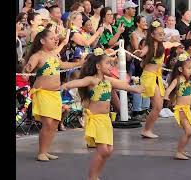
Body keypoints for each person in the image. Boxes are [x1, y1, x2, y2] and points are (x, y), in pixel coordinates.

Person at [61, 48, 145, 180]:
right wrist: (65, 86)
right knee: (102, 150)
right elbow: (78, 82)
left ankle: (96, 175)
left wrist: (137, 89)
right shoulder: (92, 80)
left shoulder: (108, 80)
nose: (110, 66)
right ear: (98, 66)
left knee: (109, 151)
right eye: (108, 63)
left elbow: (124, 85)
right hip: (96, 119)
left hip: (105, 119)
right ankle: (92, 177)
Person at [23, 29, 87, 161]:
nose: (55, 40)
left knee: (54, 123)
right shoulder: (37, 56)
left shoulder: (54, 55)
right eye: (52, 38)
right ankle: (41, 152)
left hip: (55, 94)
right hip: (43, 93)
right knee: (47, 123)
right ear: (42, 41)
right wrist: (26, 70)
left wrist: (80, 63)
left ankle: (46, 151)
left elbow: (63, 65)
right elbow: (27, 70)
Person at [134, 21, 180, 138]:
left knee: (158, 107)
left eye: (162, 33)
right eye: (159, 33)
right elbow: (143, 52)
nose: (162, 35)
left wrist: (176, 43)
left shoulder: (161, 46)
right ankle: (146, 129)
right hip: (149, 77)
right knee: (158, 106)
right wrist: (140, 53)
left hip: (156, 77)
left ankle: (147, 129)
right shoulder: (149, 46)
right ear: (152, 35)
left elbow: (170, 44)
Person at [163, 54, 191, 160]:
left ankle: (181, 150)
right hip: (181, 109)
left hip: (186, 109)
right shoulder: (177, 80)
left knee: (189, 132)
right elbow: (169, 89)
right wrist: (166, 96)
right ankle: (179, 152)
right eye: (189, 68)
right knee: (189, 131)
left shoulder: (187, 81)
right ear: (181, 69)